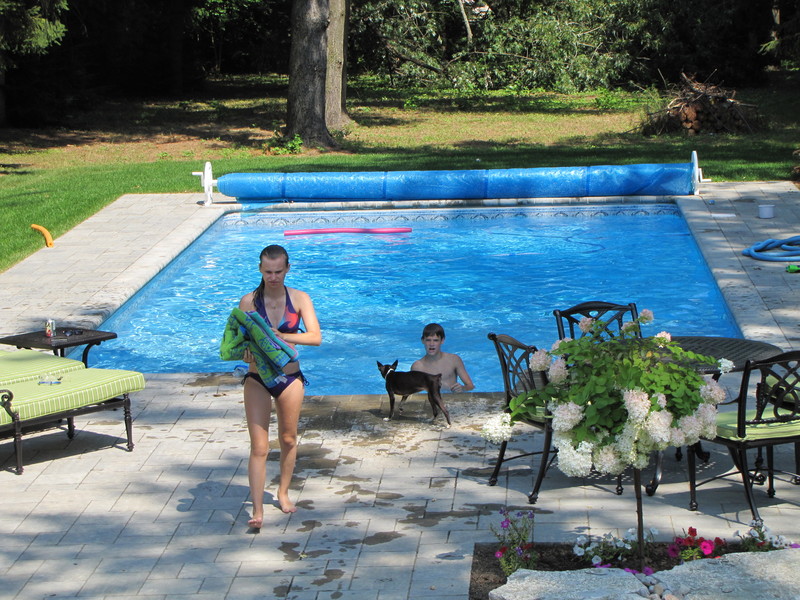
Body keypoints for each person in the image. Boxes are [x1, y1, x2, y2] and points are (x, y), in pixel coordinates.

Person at [238, 244, 321, 527]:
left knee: (288, 439)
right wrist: (246, 353)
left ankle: (283, 493)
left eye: (278, 272)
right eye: (268, 272)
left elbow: (315, 337)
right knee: (259, 447)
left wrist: (283, 336)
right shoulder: (248, 302)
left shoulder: (299, 298)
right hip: (257, 379)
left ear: (287, 269)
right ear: (260, 270)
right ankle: (257, 510)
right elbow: (239, 344)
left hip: (289, 378)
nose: (273, 277)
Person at [411, 323, 474, 393]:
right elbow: (412, 392)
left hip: (452, 398)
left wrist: (463, 388)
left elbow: (470, 386)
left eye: (436, 340)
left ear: (442, 341)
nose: (431, 344)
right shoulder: (417, 367)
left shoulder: (454, 360)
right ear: (423, 340)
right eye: (428, 340)